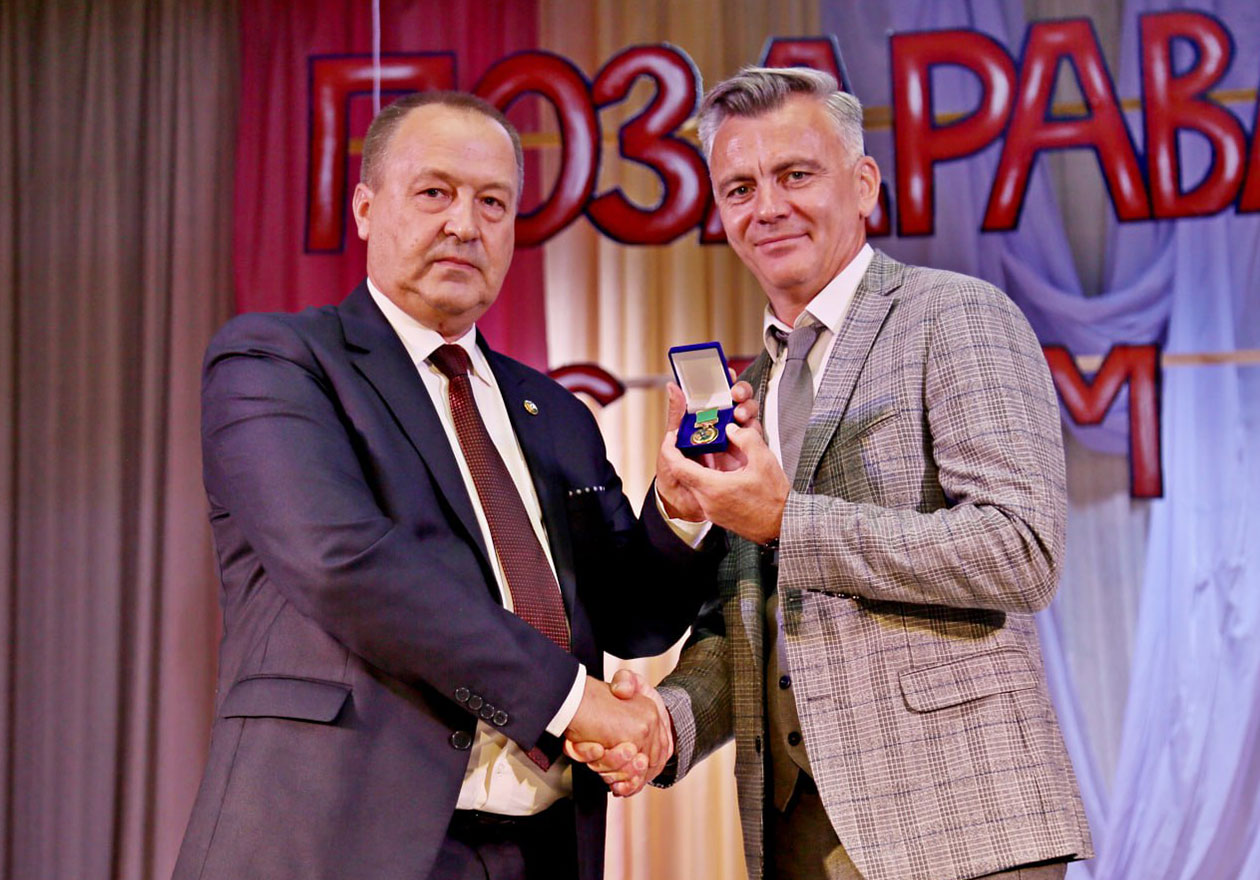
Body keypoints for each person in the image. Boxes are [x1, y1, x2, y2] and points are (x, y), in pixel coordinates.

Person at [172, 91, 740, 880]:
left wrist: (678, 509)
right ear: (366, 208)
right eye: (434, 192)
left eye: (492, 203)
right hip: (333, 842)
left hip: (542, 849)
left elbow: (631, 618)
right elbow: (345, 565)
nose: (464, 225)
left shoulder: (555, 414)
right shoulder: (276, 362)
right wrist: (574, 704)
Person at [577, 67, 1094, 880]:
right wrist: (667, 724)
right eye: (740, 188)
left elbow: (1020, 550)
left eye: (795, 175)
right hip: (795, 837)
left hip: (962, 827)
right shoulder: (751, 387)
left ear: (863, 186)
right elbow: (745, 626)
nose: (767, 207)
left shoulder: (955, 314)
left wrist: (789, 521)